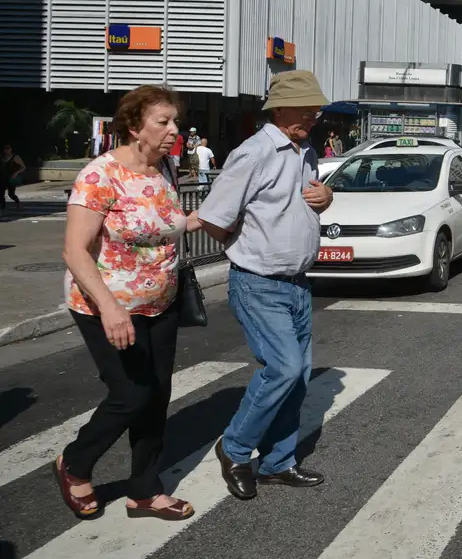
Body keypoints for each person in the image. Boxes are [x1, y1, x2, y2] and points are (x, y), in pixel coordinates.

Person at [56, 85, 202, 521]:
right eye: (163, 122)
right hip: (105, 304)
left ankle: (145, 490)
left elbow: (171, 224)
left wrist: (222, 217)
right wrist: (110, 308)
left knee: (156, 396)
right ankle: (75, 463)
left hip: (161, 303)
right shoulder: (100, 175)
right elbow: (74, 250)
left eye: (176, 122)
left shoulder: (165, 169)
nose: (174, 130)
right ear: (135, 126)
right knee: (131, 394)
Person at [197, 70, 334, 501]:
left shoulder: (305, 151)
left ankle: (278, 462)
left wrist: (327, 200)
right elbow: (213, 217)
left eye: (315, 109)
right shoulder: (254, 152)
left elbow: (301, 204)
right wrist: (246, 245)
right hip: (259, 282)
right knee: (284, 369)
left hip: (297, 284)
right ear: (279, 109)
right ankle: (235, 448)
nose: (313, 116)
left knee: (299, 377)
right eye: (305, 108)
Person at [1, 142, 25, 216]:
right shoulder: (2, 157)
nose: (6, 150)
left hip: (11, 178)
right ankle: (2, 209)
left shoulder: (15, 157)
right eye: (5, 148)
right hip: (2, 177)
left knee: (11, 194)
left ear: (11, 149)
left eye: (8, 148)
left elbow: (23, 167)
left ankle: (18, 202)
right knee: (1, 194)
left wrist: (16, 173)